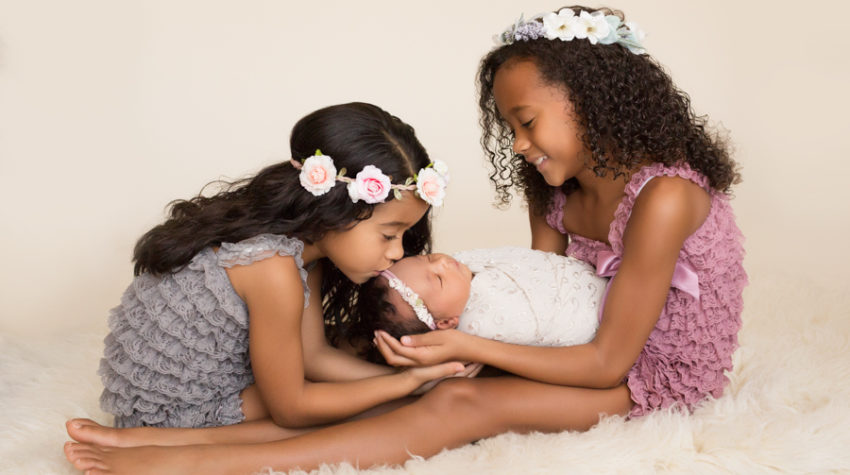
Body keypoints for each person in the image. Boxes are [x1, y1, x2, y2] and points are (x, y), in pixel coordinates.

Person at [63, 6, 747, 473]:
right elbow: (545, 293)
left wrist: (466, 349)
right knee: (419, 383)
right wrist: (457, 347)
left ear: (593, 101)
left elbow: (604, 361)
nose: (518, 144)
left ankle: (184, 461)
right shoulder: (554, 188)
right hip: (583, 349)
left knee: (454, 400)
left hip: (645, 377)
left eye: (528, 122)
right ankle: (152, 439)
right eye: (508, 126)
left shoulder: (663, 198)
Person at [88, 102, 461, 430]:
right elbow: (291, 408)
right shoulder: (272, 267)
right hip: (173, 413)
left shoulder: (300, 249)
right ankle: (158, 451)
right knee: (354, 416)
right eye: (388, 234)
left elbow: (312, 356)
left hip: (216, 386)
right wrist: (406, 385)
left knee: (366, 398)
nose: (398, 252)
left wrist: (417, 378)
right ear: (335, 209)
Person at [367, 248, 604, 348]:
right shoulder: (479, 326)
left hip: (602, 276)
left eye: (427, 258)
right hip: (599, 321)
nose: (441, 262)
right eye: (438, 279)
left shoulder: (463, 266)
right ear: (446, 323)